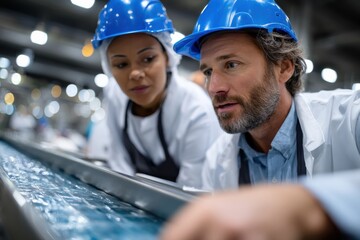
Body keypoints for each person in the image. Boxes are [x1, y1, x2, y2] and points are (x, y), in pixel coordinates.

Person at [160, 0, 360, 239]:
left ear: (284, 68)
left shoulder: (349, 117)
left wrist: (311, 206)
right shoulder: (216, 163)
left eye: (231, 65)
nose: (214, 87)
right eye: (208, 71)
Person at [91, 0, 222, 188]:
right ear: (109, 68)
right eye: (121, 64)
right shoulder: (114, 94)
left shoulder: (196, 110)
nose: (135, 73)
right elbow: (119, 164)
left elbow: (192, 191)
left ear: (167, 56)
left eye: (147, 59)